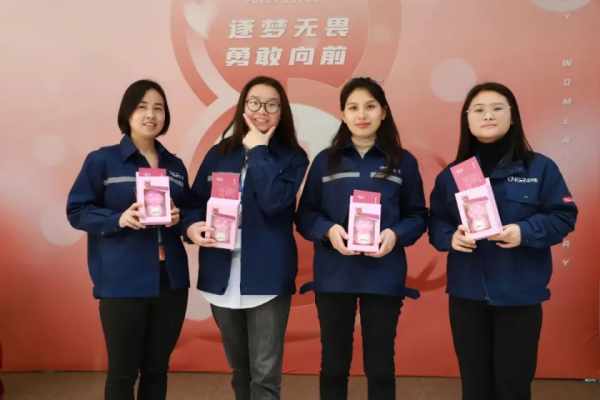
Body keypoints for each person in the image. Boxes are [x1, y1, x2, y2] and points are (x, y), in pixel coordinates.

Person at [428, 82, 578, 400]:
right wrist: (450, 237)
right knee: (475, 386)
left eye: (498, 108)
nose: (488, 116)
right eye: (479, 110)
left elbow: (563, 216)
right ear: (467, 119)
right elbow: (436, 221)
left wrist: (524, 231)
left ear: (512, 116)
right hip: (467, 296)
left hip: (520, 295)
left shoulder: (540, 168)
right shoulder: (452, 175)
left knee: (513, 386)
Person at [295, 77, 429, 400]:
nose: (362, 115)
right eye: (353, 108)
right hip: (334, 275)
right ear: (343, 114)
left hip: (383, 275)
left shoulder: (403, 162)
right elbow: (305, 214)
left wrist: (395, 235)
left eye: (370, 106)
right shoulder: (326, 161)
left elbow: (417, 215)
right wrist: (328, 230)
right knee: (334, 365)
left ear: (383, 111)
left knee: (381, 367)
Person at [184, 76, 309, 400]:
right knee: (240, 368)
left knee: (265, 375)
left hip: (267, 275)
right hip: (221, 272)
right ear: (242, 107)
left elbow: (275, 202)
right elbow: (194, 203)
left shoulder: (293, 157)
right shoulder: (219, 153)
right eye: (254, 102)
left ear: (282, 112)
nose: (261, 111)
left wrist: (259, 152)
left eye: (271, 104)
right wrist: (191, 227)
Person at [66, 79, 191, 400]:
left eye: (158, 108)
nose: (151, 115)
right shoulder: (103, 160)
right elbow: (77, 210)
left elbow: (189, 212)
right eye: (142, 107)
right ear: (127, 113)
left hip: (171, 281)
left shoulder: (175, 166)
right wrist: (118, 219)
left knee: (157, 369)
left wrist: (180, 219)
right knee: (122, 373)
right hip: (122, 280)